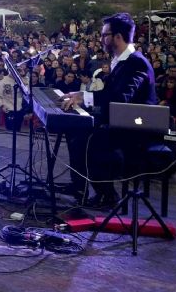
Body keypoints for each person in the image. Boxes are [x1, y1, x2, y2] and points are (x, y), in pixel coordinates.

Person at [61, 13, 158, 206]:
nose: (101, 39)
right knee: (75, 129)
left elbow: (121, 98)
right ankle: (79, 184)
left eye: (105, 35)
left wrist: (84, 98)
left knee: (91, 138)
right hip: (120, 119)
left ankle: (107, 194)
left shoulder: (136, 63)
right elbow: (110, 96)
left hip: (136, 127)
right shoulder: (122, 61)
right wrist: (81, 96)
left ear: (118, 37)